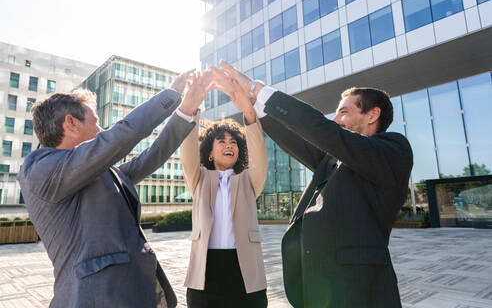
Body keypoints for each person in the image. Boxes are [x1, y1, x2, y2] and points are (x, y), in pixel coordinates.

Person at [212, 61, 414, 308]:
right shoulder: (334, 159)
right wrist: (253, 110)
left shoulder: (393, 150)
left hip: (360, 290)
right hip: (320, 290)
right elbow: (297, 140)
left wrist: (257, 89)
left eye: (344, 112)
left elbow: (323, 130)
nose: (336, 119)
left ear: (372, 114)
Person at [16, 70, 209, 308]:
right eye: (96, 123)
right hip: (95, 299)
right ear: (71, 123)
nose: (101, 130)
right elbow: (119, 137)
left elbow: (152, 156)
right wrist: (173, 94)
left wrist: (186, 111)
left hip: (134, 293)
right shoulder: (40, 169)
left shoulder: (101, 170)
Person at [178, 71, 268, 308]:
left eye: (234, 142)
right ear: (209, 151)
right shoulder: (199, 178)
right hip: (206, 273)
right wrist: (191, 110)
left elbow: (259, 158)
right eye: (222, 142)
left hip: (245, 272)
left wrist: (249, 113)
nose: (229, 145)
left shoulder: (248, 181)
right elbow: (187, 152)